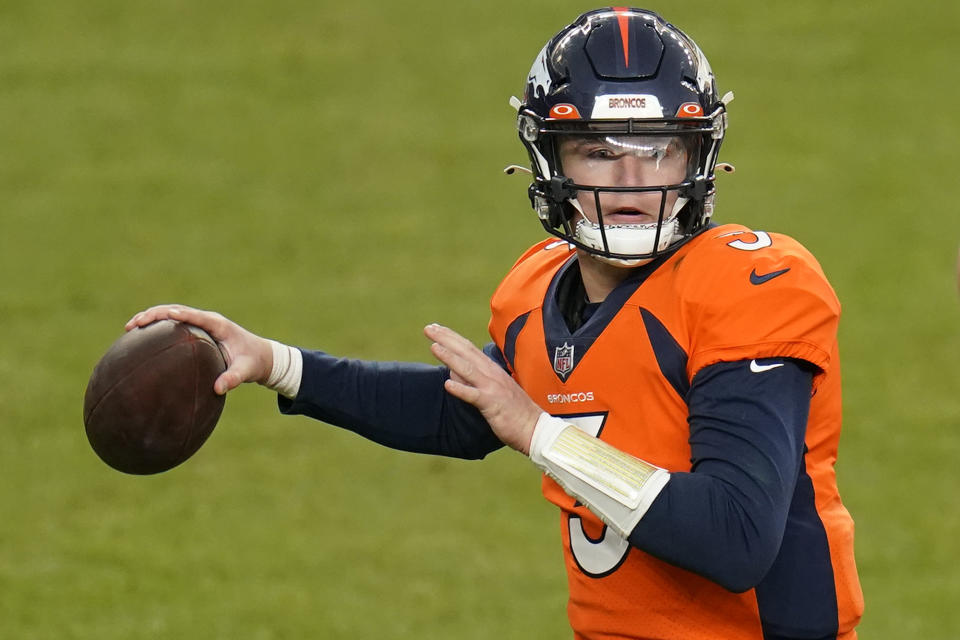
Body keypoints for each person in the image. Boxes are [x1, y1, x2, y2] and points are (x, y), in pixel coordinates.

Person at [127, 8, 863, 639]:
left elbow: (737, 537)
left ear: (700, 154)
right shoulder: (542, 289)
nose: (632, 181)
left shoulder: (749, 285)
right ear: (548, 157)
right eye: (598, 151)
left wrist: (541, 433)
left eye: (660, 148)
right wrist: (278, 362)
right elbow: (467, 412)